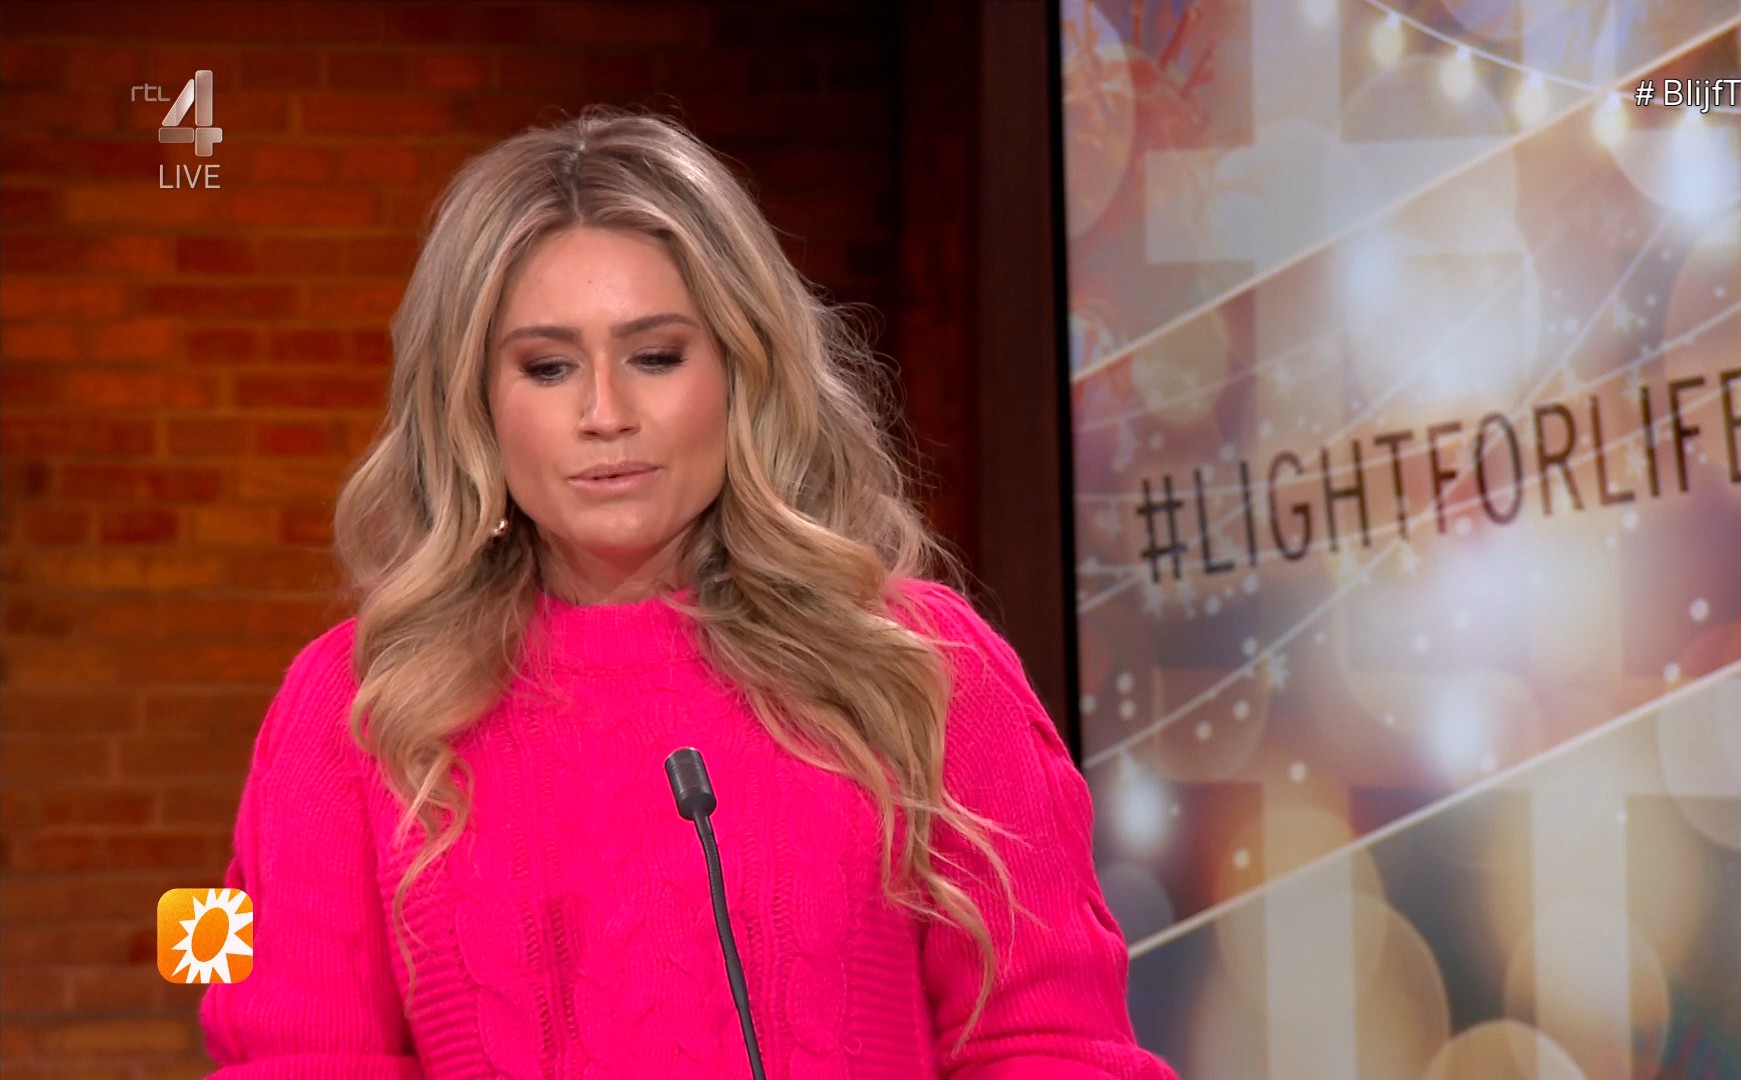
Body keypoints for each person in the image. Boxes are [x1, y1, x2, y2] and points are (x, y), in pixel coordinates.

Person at [197, 106, 1176, 1079]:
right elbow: (290, 1062)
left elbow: (1053, 1048)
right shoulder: (353, 708)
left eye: (656, 356)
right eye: (548, 367)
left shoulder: (923, 671)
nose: (605, 413)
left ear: (743, 370)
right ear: (474, 406)